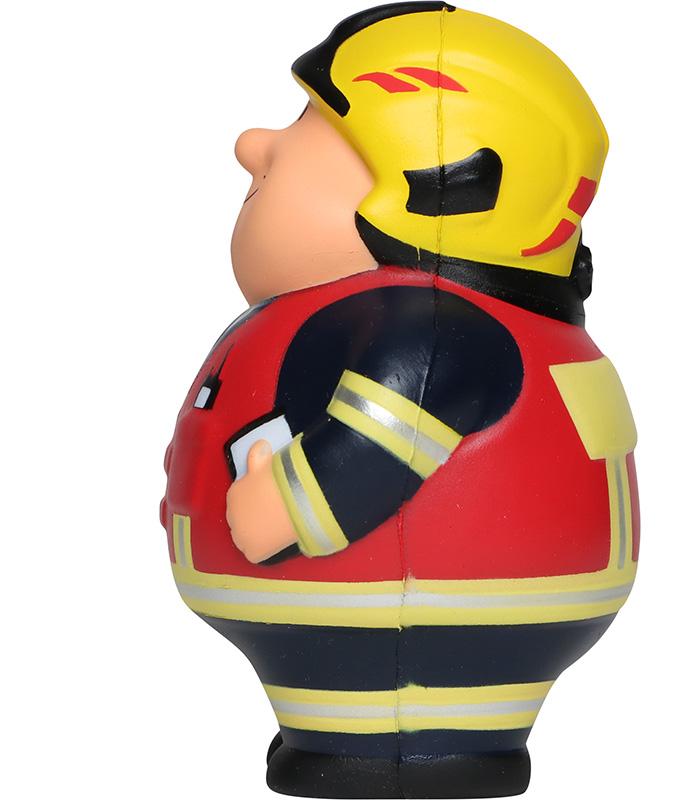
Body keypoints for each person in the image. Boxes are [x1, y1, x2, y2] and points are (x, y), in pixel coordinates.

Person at [162, 3, 639, 797]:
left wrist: (283, 506)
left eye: (310, 127)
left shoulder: (433, 335)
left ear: (436, 189)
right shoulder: (417, 319)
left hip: (421, 626)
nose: (254, 146)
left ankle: (383, 743)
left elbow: (373, 451)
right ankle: (344, 735)